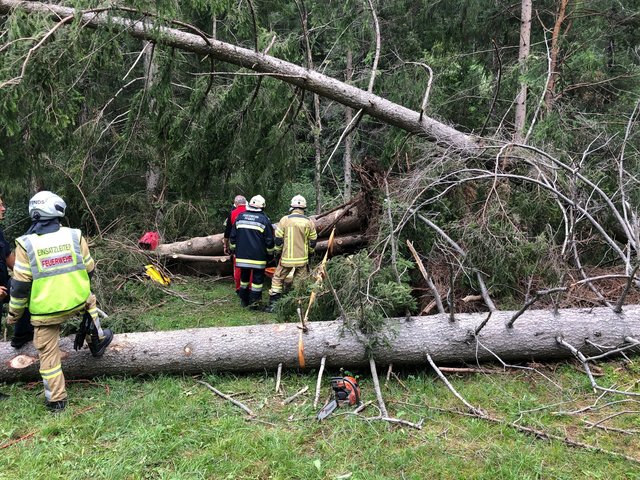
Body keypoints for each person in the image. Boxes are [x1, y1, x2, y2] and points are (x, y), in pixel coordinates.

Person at [6, 191, 113, 413]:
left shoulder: (26, 244)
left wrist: (13, 315)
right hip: (78, 302)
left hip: (46, 313)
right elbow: (89, 269)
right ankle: (97, 339)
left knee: (48, 355)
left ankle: (56, 401)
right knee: (90, 301)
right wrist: (77, 289)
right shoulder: (75, 236)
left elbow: (19, 287)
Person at [266, 195, 317, 312]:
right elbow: (313, 240)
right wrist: (310, 253)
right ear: (304, 208)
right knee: (300, 282)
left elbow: (278, 239)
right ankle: (297, 305)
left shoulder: (285, 220)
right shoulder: (309, 221)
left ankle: (274, 305)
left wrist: (277, 252)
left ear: (292, 207)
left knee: (277, 279)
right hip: (302, 260)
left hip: (286, 259)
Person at [0, 195, 34, 352]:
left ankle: (22, 335)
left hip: (5, 286)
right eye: (0, 206)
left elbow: (8, 257)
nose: (3, 209)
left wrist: (28, 273)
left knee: (25, 287)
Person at [229, 195, 274, 309]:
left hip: (241, 257)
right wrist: (270, 255)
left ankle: (244, 301)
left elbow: (232, 237)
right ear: (262, 207)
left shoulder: (240, 217)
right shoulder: (264, 220)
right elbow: (269, 241)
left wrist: (234, 251)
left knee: (244, 279)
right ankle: (255, 304)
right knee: (257, 282)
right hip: (258, 258)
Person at [223, 195, 248, 293]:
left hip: (237, 245)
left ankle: (238, 288)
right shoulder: (252, 212)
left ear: (236, 203)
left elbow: (227, 232)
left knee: (238, 267)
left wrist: (225, 245)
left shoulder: (233, 213)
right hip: (251, 245)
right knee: (250, 266)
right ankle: (249, 287)